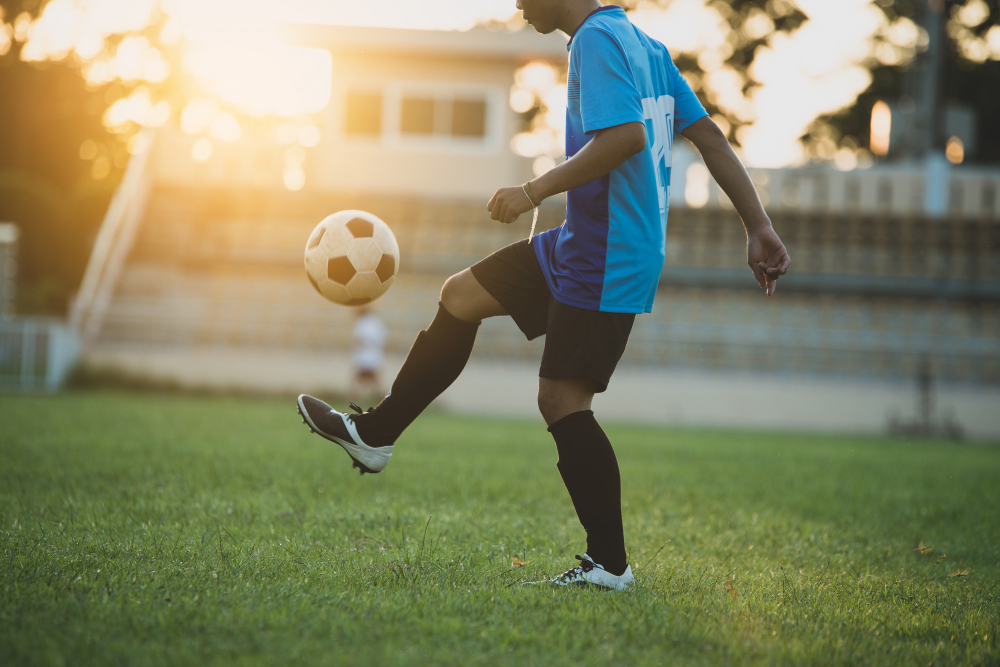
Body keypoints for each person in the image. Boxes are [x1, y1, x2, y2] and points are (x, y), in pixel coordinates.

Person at [297, 0, 790, 591]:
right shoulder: (644, 44)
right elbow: (708, 136)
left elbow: (627, 138)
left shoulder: (596, 40)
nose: (517, 4)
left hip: (610, 250)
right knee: (460, 296)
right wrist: (757, 224)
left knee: (561, 399)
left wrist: (532, 191)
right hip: (579, 241)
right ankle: (376, 435)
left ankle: (610, 566)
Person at [349, 307, 388, 403]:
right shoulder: (376, 322)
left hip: (364, 355)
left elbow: (358, 339)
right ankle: (384, 401)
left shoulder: (361, 322)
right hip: (375, 356)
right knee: (375, 382)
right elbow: (385, 337)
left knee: (357, 380)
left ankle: (354, 401)